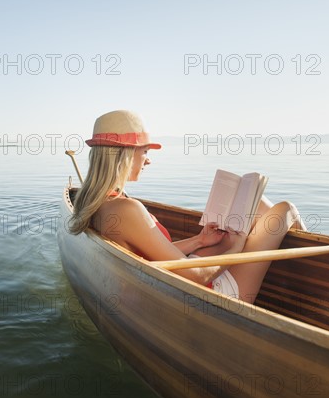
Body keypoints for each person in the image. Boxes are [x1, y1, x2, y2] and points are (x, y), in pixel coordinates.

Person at [70, 110, 306, 304]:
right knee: (285, 210)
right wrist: (236, 251)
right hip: (209, 296)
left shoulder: (97, 204)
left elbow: (151, 256)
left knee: (258, 204)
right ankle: (309, 272)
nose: (148, 160)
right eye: (144, 152)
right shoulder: (128, 210)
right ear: (125, 155)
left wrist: (200, 241)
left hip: (172, 285)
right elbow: (194, 278)